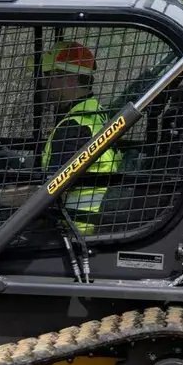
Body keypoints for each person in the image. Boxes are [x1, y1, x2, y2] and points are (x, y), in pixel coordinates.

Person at [38, 40, 124, 236]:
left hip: (74, 229)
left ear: (68, 78)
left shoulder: (74, 128)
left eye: (49, 77)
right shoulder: (96, 113)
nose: (45, 84)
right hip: (90, 222)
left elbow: (47, 193)